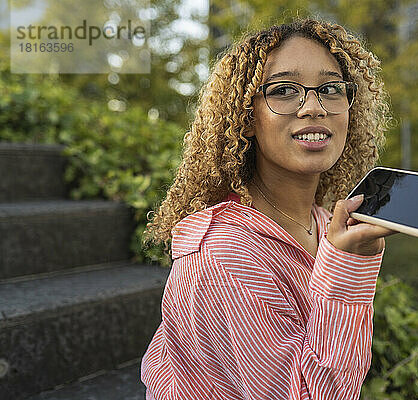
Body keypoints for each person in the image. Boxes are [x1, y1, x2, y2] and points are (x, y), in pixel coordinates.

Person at [141, 17, 395, 400]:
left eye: (330, 88)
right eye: (284, 90)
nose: (314, 107)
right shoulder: (224, 255)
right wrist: (347, 273)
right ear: (246, 118)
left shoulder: (324, 224)